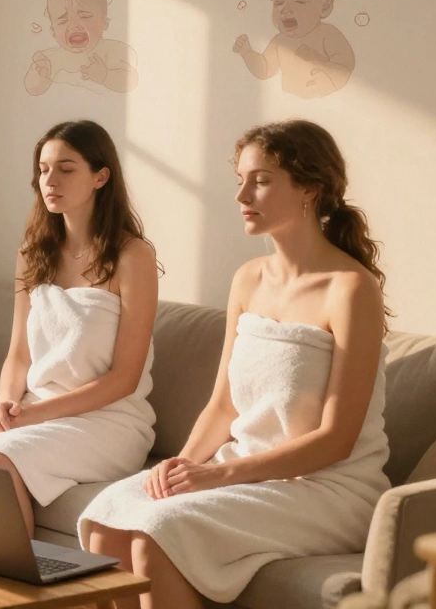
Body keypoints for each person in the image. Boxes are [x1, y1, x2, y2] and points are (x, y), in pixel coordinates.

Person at [80, 119, 391, 609]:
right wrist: (183, 463)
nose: (242, 194)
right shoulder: (248, 279)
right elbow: (223, 406)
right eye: (240, 180)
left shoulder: (350, 289)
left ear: (310, 188)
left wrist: (219, 476)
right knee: (105, 519)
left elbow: (338, 439)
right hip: (244, 471)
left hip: (327, 488)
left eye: (261, 180)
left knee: (155, 533)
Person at [0, 120, 158, 538]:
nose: (49, 180)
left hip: (108, 420)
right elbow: (19, 353)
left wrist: (31, 416)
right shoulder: (33, 253)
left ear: (100, 176)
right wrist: (5, 404)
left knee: (1, 461)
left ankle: (22, 597)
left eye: (66, 169)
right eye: (43, 169)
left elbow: (125, 379)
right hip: (34, 410)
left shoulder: (132, 256)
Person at [233, 0, 355, 98]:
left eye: (298, 0)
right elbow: (265, 70)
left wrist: (318, 60)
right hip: (287, 104)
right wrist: (247, 53)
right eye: (278, 2)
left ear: (324, 7)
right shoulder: (280, 42)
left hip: (325, 105)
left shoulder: (328, 35)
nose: (285, 10)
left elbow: (344, 69)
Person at [24, 0, 139, 96]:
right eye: (63, 20)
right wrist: (39, 74)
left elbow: (131, 81)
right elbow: (33, 89)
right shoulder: (52, 59)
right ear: (53, 32)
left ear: (104, 22)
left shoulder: (108, 52)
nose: (74, 25)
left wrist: (106, 76)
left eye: (85, 16)